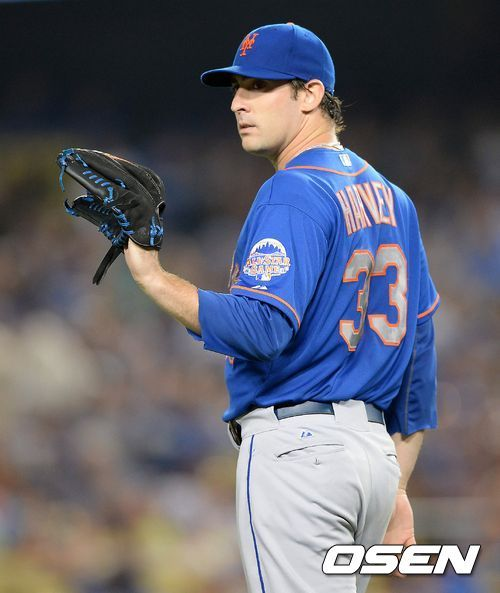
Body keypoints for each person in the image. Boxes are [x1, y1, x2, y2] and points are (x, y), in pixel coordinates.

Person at [123, 23, 439, 593]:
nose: (238, 103)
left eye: (260, 86)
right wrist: (396, 487)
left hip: (299, 455)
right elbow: (418, 361)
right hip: (373, 459)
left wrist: (153, 277)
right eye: (237, 88)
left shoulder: (293, 189)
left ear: (311, 94)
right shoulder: (395, 199)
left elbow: (262, 328)